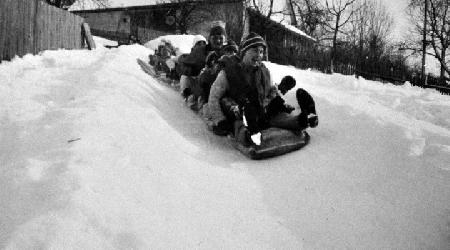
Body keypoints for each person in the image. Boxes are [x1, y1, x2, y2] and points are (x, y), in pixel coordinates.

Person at [207, 32, 318, 145]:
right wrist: (219, 120)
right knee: (239, 121)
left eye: (261, 52)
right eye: (255, 50)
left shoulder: (264, 72)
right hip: (241, 111)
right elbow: (214, 96)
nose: (259, 55)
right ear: (244, 52)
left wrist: (279, 102)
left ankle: (303, 120)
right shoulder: (228, 73)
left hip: (262, 109)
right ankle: (249, 135)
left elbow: (271, 90)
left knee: (277, 115)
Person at [178, 25, 226, 98]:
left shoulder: (226, 53)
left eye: (221, 38)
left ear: (225, 40)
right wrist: (191, 70)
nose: (218, 41)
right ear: (209, 39)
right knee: (185, 77)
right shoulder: (200, 51)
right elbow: (183, 63)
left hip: (219, 86)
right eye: (215, 38)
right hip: (200, 85)